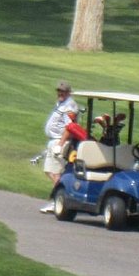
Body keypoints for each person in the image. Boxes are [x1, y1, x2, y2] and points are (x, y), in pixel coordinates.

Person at [39, 80, 79, 213]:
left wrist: (60, 144)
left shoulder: (69, 106)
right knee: (50, 171)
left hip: (60, 142)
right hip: (55, 141)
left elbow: (70, 126)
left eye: (63, 91)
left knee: (55, 172)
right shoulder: (62, 103)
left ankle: (59, 200)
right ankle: (59, 199)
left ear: (69, 92)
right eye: (59, 91)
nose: (60, 93)